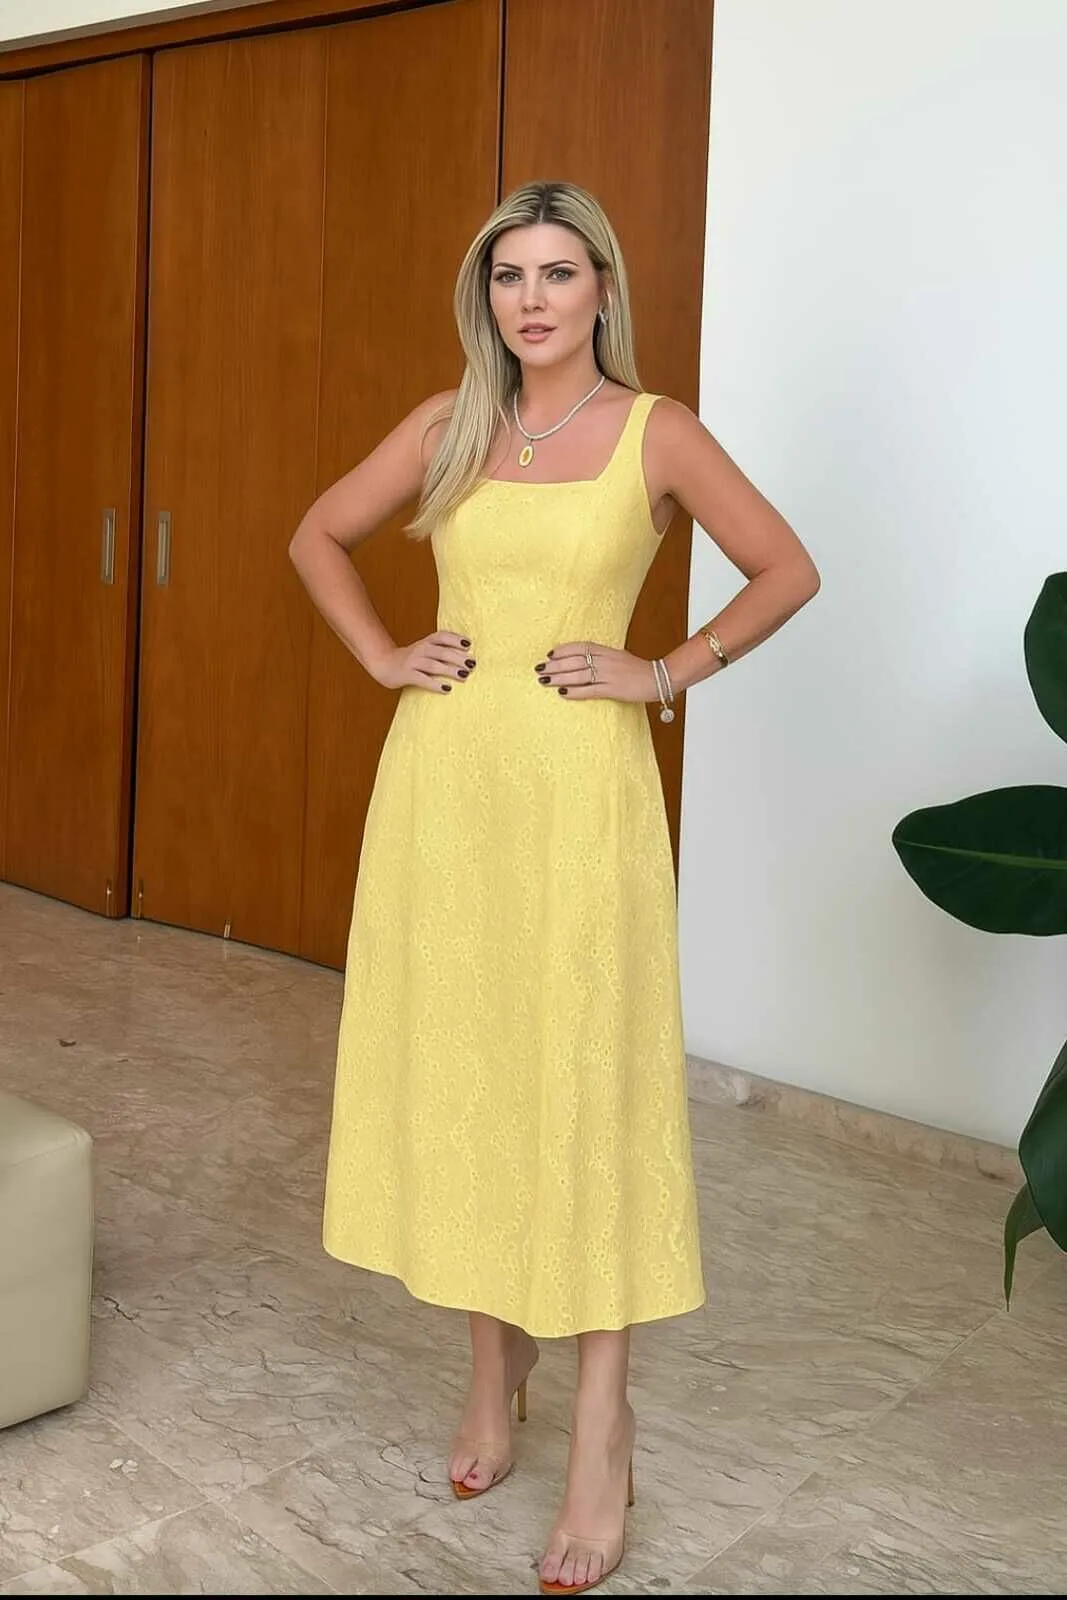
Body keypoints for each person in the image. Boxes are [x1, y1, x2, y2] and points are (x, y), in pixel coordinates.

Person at [289, 179, 820, 1596]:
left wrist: (664, 671)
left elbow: (785, 569)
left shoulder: (658, 433)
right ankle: (490, 1368)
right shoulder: (449, 426)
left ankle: (601, 1425)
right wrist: (385, 654)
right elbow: (316, 535)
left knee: (585, 1087)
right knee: (472, 1067)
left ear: (602, 291)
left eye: (558, 273)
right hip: (447, 789)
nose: (531, 299)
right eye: (509, 275)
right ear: (488, 295)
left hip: (582, 797)